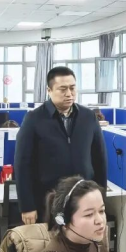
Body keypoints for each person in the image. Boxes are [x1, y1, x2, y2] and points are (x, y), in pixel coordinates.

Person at [15, 67, 108, 224]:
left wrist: (101, 197)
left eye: (72, 88)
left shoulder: (88, 117)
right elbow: (22, 164)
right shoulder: (34, 119)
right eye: (63, 89)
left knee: (82, 238)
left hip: (84, 198)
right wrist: (27, 206)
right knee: (52, 239)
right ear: (49, 90)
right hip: (48, 199)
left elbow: (100, 159)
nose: (69, 94)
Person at [26, 177, 115, 252]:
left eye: (101, 211)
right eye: (89, 215)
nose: (100, 220)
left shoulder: (96, 242)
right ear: (64, 220)